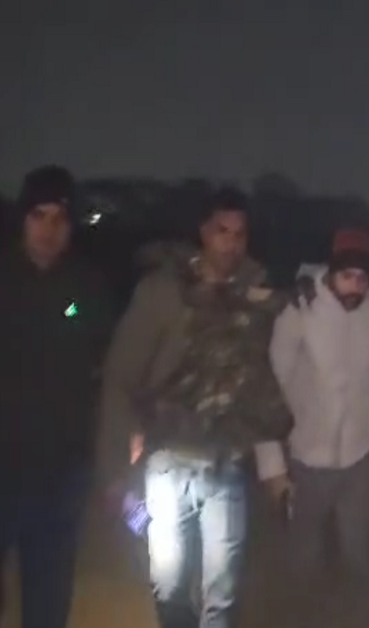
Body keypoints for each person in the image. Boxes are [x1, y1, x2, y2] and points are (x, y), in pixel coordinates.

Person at [98, 187, 294, 628]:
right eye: (222, 231)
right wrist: (115, 468)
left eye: (240, 234)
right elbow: (121, 377)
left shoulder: (253, 299)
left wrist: (273, 465)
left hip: (227, 465)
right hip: (167, 465)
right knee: (168, 586)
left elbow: (259, 383)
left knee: (222, 594)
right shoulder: (163, 293)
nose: (231, 243)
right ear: (203, 232)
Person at [0, 166, 113, 628]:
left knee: (47, 604)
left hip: (58, 475)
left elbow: (104, 366)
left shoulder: (86, 288)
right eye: (39, 216)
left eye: (60, 219)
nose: (49, 230)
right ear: (21, 218)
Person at [268, 228, 369, 628]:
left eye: (363, 277)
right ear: (332, 272)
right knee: (304, 559)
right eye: (347, 276)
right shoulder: (300, 310)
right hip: (306, 459)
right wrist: (272, 466)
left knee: (360, 555)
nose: (356, 286)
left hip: (361, 457)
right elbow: (271, 387)